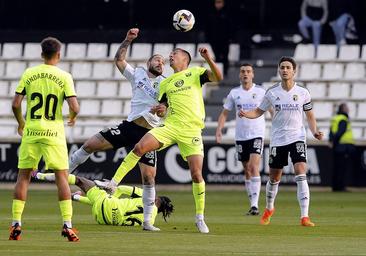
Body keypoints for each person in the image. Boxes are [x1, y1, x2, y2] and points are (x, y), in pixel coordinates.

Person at [96, 47, 223, 233]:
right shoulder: (166, 83)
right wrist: (160, 110)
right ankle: (113, 184)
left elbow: (218, 77)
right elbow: (164, 106)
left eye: (175, 54)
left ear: (185, 60)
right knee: (139, 148)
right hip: (170, 127)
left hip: (192, 130)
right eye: (170, 54)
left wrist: (207, 58)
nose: (170, 56)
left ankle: (199, 217)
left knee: (196, 174)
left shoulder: (195, 73)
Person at [68, 28, 165, 229]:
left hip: (148, 134)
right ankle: (64, 174)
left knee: (149, 177)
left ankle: (147, 221)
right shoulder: (137, 74)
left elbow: (167, 110)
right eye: (156, 59)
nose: (160, 63)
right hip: (129, 127)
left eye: (163, 62)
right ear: (148, 64)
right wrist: (127, 41)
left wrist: (161, 110)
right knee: (89, 144)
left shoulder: (166, 84)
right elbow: (119, 60)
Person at [239, 56, 323, 227]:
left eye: (288, 67)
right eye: (282, 67)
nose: (285, 70)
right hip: (278, 140)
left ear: (294, 71)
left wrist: (314, 131)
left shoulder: (303, 92)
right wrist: (246, 114)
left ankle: (304, 216)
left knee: (300, 171)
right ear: (279, 70)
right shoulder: (271, 93)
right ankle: (269, 208)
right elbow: (258, 111)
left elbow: (310, 115)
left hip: (297, 137)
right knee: (274, 178)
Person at [10, 37, 80, 241]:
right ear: (59, 54)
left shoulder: (29, 73)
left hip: (31, 131)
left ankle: (16, 224)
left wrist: (21, 123)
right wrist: (72, 118)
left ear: (41, 54)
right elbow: (74, 107)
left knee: (23, 177)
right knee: (62, 178)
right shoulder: (64, 76)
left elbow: (15, 104)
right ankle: (67, 225)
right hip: (54, 133)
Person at [216, 64, 268, 216]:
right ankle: (251, 203)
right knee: (246, 169)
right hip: (241, 136)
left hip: (257, 133)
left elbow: (271, 110)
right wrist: (219, 129)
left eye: (248, 71)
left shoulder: (260, 92)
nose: (245, 74)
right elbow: (225, 113)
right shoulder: (234, 93)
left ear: (253, 75)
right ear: (240, 75)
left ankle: (255, 205)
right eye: (243, 71)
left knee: (253, 167)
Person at [34, 172, 174, 226]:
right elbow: (99, 203)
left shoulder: (148, 195)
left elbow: (123, 189)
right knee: (101, 201)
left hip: (106, 203)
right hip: (103, 220)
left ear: (156, 199)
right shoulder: (151, 220)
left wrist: (111, 193)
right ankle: (75, 197)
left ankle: (40, 176)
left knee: (80, 180)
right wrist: (77, 198)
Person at [329, 103, 356, 192]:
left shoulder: (335, 118)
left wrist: (331, 141)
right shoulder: (343, 119)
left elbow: (331, 132)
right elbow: (341, 132)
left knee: (336, 167)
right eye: (347, 108)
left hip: (337, 147)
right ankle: (340, 187)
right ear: (343, 109)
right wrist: (335, 142)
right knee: (342, 168)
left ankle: (335, 186)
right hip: (343, 146)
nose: (348, 109)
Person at [205, 0, 232, 75]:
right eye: (217, 2)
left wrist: (230, 37)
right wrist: (208, 38)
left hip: (225, 40)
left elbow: (230, 27)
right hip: (214, 40)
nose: (218, 4)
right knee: (217, 56)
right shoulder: (210, 13)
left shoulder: (227, 13)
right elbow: (208, 27)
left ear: (223, 3)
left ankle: (225, 72)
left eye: (220, 2)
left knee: (225, 56)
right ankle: (218, 73)